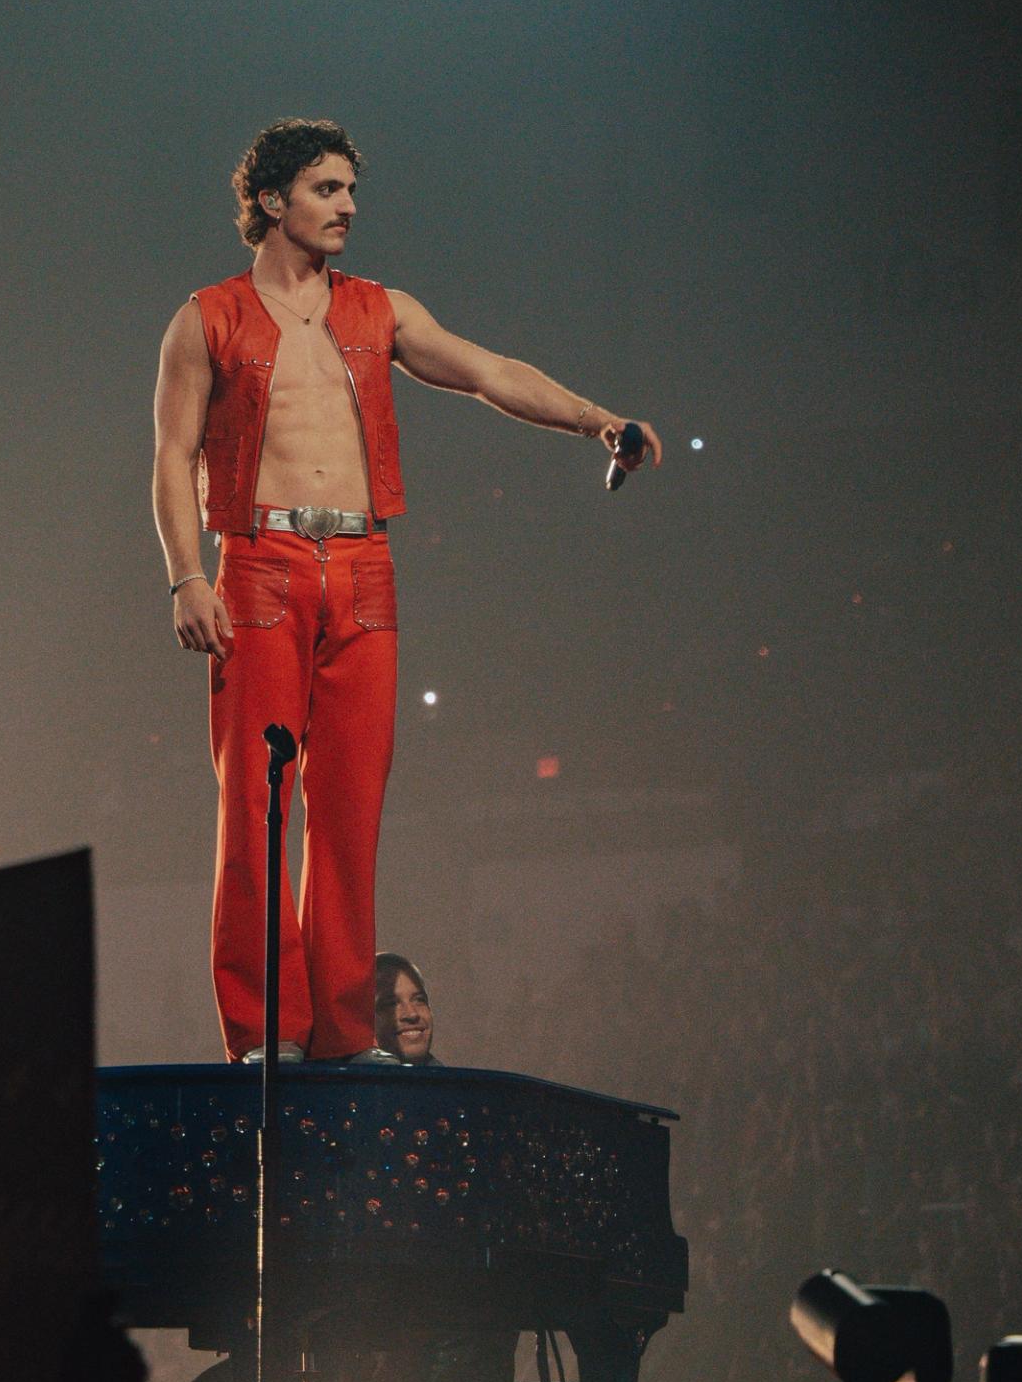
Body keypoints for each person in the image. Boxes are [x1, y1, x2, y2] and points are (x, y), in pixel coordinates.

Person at [153, 118, 654, 1064]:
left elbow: (486, 371)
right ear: (272, 201)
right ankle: (266, 1034)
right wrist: (186, 576)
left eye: (350, 190)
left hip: (363, 569)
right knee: (256, 809)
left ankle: (344, 1037)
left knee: (349, 809)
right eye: (328, 190)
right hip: (258, 565)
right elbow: (171, 459)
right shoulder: (208, 317)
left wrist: (599, 421)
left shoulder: (379, 310)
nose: (348, 207)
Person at [371, 952, 439, 1065]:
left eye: (419, 1000)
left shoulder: (458, 1081)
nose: (412, 1014)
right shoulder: (341, 1081)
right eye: (391, 1004)